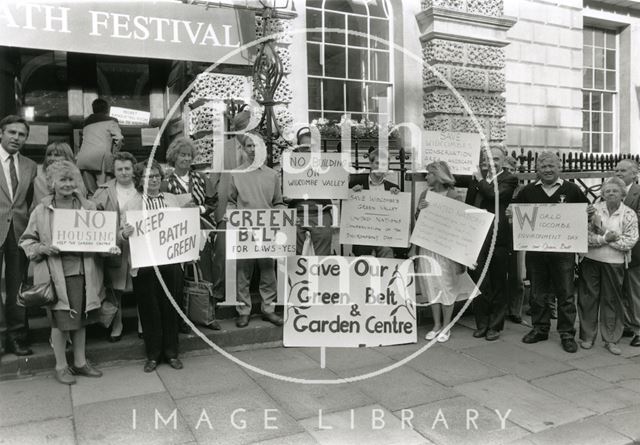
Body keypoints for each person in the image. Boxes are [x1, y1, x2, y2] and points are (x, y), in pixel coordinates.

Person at [20, 161, 118, 384]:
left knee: (81, 319)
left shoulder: (88, 207)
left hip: (85, 273)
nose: (67, 184)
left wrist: (108, 248)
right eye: (62, 179)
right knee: (60, 323)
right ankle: (61, 366)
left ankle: (80, 362)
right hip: (56, 275)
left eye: (71, 179)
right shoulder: (41, 210)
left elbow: (101, 241)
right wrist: (42, 249)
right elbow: (26, 241)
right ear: (52, 183)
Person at [509, 152, 590, 353]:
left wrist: (589, 213)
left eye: (551, 166)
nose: (547, 170)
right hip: (536, 253)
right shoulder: (527, 191)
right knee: (537, 293)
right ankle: (540, 328)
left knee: (566, 293)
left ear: (559, 167)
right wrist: (511, 213)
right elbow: (517, 219)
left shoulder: (572, 190)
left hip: (563, 252)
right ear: (537, 169)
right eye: (543, 166)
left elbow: (585, 214)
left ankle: (567, 334)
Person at [121, 160, 185, 372]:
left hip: (170, 260)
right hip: (145, 263)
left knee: (171, 306)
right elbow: (121, 233)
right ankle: (153, 355)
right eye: (149, 177)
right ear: (140, 181)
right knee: (149, 309)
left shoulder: (172, 199)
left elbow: (182, 226)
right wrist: (124, 234)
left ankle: (172, 353)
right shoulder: (132, 204)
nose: (154, 180)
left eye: (157, 176)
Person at [227, 133, 286, 328]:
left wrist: (282, 216)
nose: (253, 149)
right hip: (245, 229)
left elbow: (278, 202)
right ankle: (244, 311)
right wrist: (231, 216)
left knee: (268, 269)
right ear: (243, 149)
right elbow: (231, 201)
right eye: (249, 146)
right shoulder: (235, 174)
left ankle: (268, 309)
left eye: (256, 146)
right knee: (244, 270)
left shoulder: (272, 175)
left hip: (267, 229)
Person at [578, 177, 638, 355]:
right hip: (591, 260)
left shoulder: (628, 214)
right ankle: (587, 337)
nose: (611, 193)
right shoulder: (594, 210)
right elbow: (584, 237)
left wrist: (606, 238)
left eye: (615, 191)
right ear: (602, 194)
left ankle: (611, 339)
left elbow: (629, 242)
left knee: (611, 300)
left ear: (622, 194)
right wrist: (606, 238)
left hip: (615, 263)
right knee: (588, 299)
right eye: (607, 191)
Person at [409, 161, 466, 343]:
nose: (426, 177)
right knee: (431, 284)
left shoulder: (454, 196)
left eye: (429, 174)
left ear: (439, 175)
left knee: (446, 285)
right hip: (427, 246)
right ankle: (436, 324)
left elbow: (459, 223)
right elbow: (418, 223)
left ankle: (447, 325)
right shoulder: (425, 194)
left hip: (445, 248)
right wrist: (419, 211)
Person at [465, 147, 518, 341]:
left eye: (495, 158)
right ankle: (482, 324)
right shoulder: (476, 179)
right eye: (487, 158)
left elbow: (495, 196)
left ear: (503, 160)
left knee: (497, 282)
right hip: (478, 238)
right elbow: (469, 205)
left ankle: (495, 326)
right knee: (480, 281)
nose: (491, 162)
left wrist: (480, 180)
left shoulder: (509, 179)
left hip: (499, 238)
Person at [91, 151, 141, 342]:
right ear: (114, 171)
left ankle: (142, 323)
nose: (124, 172)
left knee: (142, 284)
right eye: (119, 169)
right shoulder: (103, 191)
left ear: (133, 170)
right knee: (116, 288)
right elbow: (96, 218)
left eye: (127, 168)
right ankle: (117, 324)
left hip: (140, 244)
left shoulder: (142, 188)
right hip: (116, 244)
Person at [0, 115, 38, 357]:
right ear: (1, 133)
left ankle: (16, 336)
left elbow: (31, 200)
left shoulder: (30, 165)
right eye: (12, 132)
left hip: (19, 231)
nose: (16, 138)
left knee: (17, 285)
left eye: (21, 134)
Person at [210, 110, 251, 302]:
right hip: (226, 204)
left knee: (246, 251)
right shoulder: (222, 147)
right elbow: (214, 177)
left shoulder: (255, 148)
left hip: (249, 206)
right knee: (222, 249)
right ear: (235, 128)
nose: (248, 132)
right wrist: (213, 204)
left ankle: (242, 292)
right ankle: (219, 289)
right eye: (244, 128)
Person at [286, 128, 334, 255]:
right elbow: (280, 193)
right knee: (296, 257)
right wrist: (285, 196)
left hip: (321, 214)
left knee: (322, 258)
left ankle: (321, 275)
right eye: (304, 146)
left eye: (312, 146)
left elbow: (337, 187)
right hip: (297, 215)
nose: (308, 149)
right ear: (298, 147)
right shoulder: (289, 165)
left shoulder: (328, 165)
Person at [349, 148, 400, 258]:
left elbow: (398, 216)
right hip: (363, 238)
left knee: (386, 267)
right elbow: (348, 212)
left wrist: (397, 198)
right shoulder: (355, 183)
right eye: (377, 163)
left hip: (385, 239)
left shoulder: (393, 188)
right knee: (364, 271)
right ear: (370, 164)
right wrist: (353, 194)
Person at [614, 159, 640, 347]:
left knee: (634, 292)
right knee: (620, 289)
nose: (618, 173)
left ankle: (639, 329)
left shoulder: (638, 192)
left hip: (635, 250)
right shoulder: (611, 192)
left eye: (623, 170)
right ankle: (626, 325)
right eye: (616, 170)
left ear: (634, 173)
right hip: (614, 249)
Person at [76, 98, 123, 195]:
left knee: (91, 193)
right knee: (105, 190)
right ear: (107, 110)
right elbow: (119, 138)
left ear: (93, 109)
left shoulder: (86, 123)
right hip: (101, 159)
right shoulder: (111, 121)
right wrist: (114, 153)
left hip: (83, 159)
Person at [33, 142, 87, 209]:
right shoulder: (40, 179)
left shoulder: (76, 174)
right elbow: (43, 204)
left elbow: (82, 199)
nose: (52, 158)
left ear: (67, 158)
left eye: (57, 155)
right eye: (49, 155)